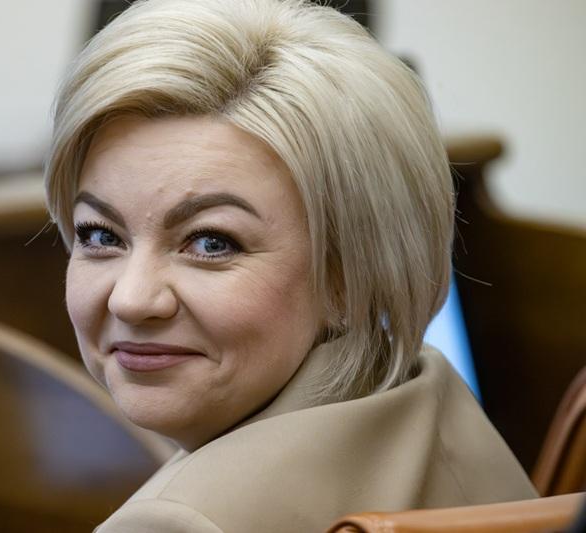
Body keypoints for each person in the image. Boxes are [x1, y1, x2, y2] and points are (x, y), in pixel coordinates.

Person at [44, 0, 537, 530]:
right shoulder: (434, 394)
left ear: (349, 276)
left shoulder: (173, 522)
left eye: (211, 243)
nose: (131, 299)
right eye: (100, 236)